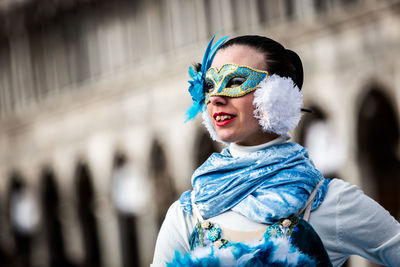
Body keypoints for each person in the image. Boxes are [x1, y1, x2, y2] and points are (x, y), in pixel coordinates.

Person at [152, 35, 400, 266]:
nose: (216, 97)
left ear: (277, 95)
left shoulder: (329, 202)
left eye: (236, 81)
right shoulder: (187, 215)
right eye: (209, 85)